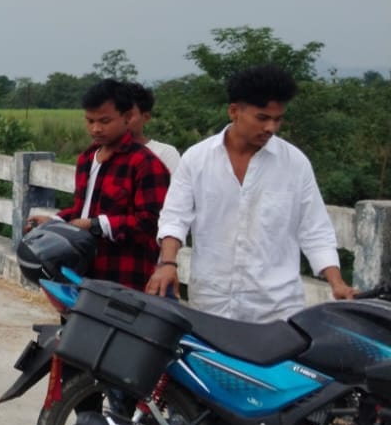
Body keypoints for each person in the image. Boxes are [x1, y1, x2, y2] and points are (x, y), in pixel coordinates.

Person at [147, 65, 353, 321]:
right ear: (234, 111)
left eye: (277, 119)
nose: (271, 128)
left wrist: (337, 283)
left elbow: (315, 230)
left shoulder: (295, 163)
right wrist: (168, 264)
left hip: (277, 308)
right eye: (262, 118)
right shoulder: (196, 159)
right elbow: (175, 218)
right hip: (212, 303)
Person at [24, 79, 171, 292]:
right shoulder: (86, 158)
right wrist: (55, 222)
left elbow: (151, 222)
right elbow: (83, 210)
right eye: (90, 121)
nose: (96, 129)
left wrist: (95, 225)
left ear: (127, 117)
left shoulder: (145, 163)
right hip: (82, 273)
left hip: (123, 277)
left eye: (105, 121)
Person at [126, 81, 180, 174]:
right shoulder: (101, 154)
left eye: (128, 115)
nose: (122, 121)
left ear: (146, 117)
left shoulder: (165, 154)